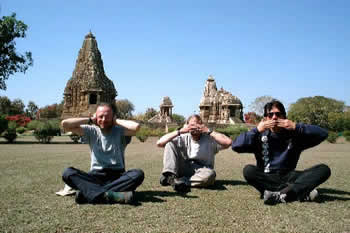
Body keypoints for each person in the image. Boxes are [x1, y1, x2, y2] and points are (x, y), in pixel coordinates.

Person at [231, 100, 331, 205]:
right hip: (267, 177)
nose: (274, 117)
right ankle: (296, 191)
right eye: (270, 115)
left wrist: (296, 126)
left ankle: (280, 194)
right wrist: (256, 130)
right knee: (248, 170)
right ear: (265, 118)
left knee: (323, 169)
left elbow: (323, 134)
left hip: (289, 176)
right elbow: (236, 146)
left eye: (278, 114)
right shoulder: (259, 136)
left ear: (284, 117)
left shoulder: (295, 136)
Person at [61, 102, 144, 204]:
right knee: (67, 173)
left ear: (113, 117)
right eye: (101, 116)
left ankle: (89, 194)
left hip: (117, 176)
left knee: (138, 174)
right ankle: (110, 195)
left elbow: (136, 127)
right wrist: (89, 120)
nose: (104, 120)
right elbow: (65, 125)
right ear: (96, 116)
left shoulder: (120, 131)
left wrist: (116, 121)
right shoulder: (91, 131)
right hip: (95, 176)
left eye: (107, 117)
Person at [157, 114, 232, 192]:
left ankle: (179, 181)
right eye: (191, 125)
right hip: (183, 167)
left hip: (202, 170)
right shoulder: (183, 137)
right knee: (169, 143)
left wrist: (208, 131)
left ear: (202, 125)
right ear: (187, 125)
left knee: (210, 175)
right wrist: (180, 131)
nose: (194, 127)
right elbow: (159, 143)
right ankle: (170, 175)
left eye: (197, 124)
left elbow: (228, 142)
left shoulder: (209, 139)